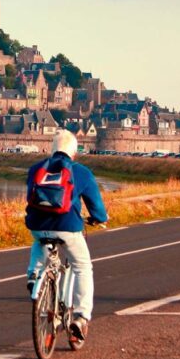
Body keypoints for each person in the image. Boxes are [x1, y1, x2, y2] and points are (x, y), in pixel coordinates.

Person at [25, 129, 108, 341]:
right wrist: (99, 218)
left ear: (52, 149)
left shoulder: (36, 169)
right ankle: (81, 317)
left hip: (37, 224)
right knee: (82, 267)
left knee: (39, 240)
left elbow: (31, 197)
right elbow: (96, 206)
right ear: (74, 152)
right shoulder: (80, 172)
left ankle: (34, 276)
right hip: (67, 227)